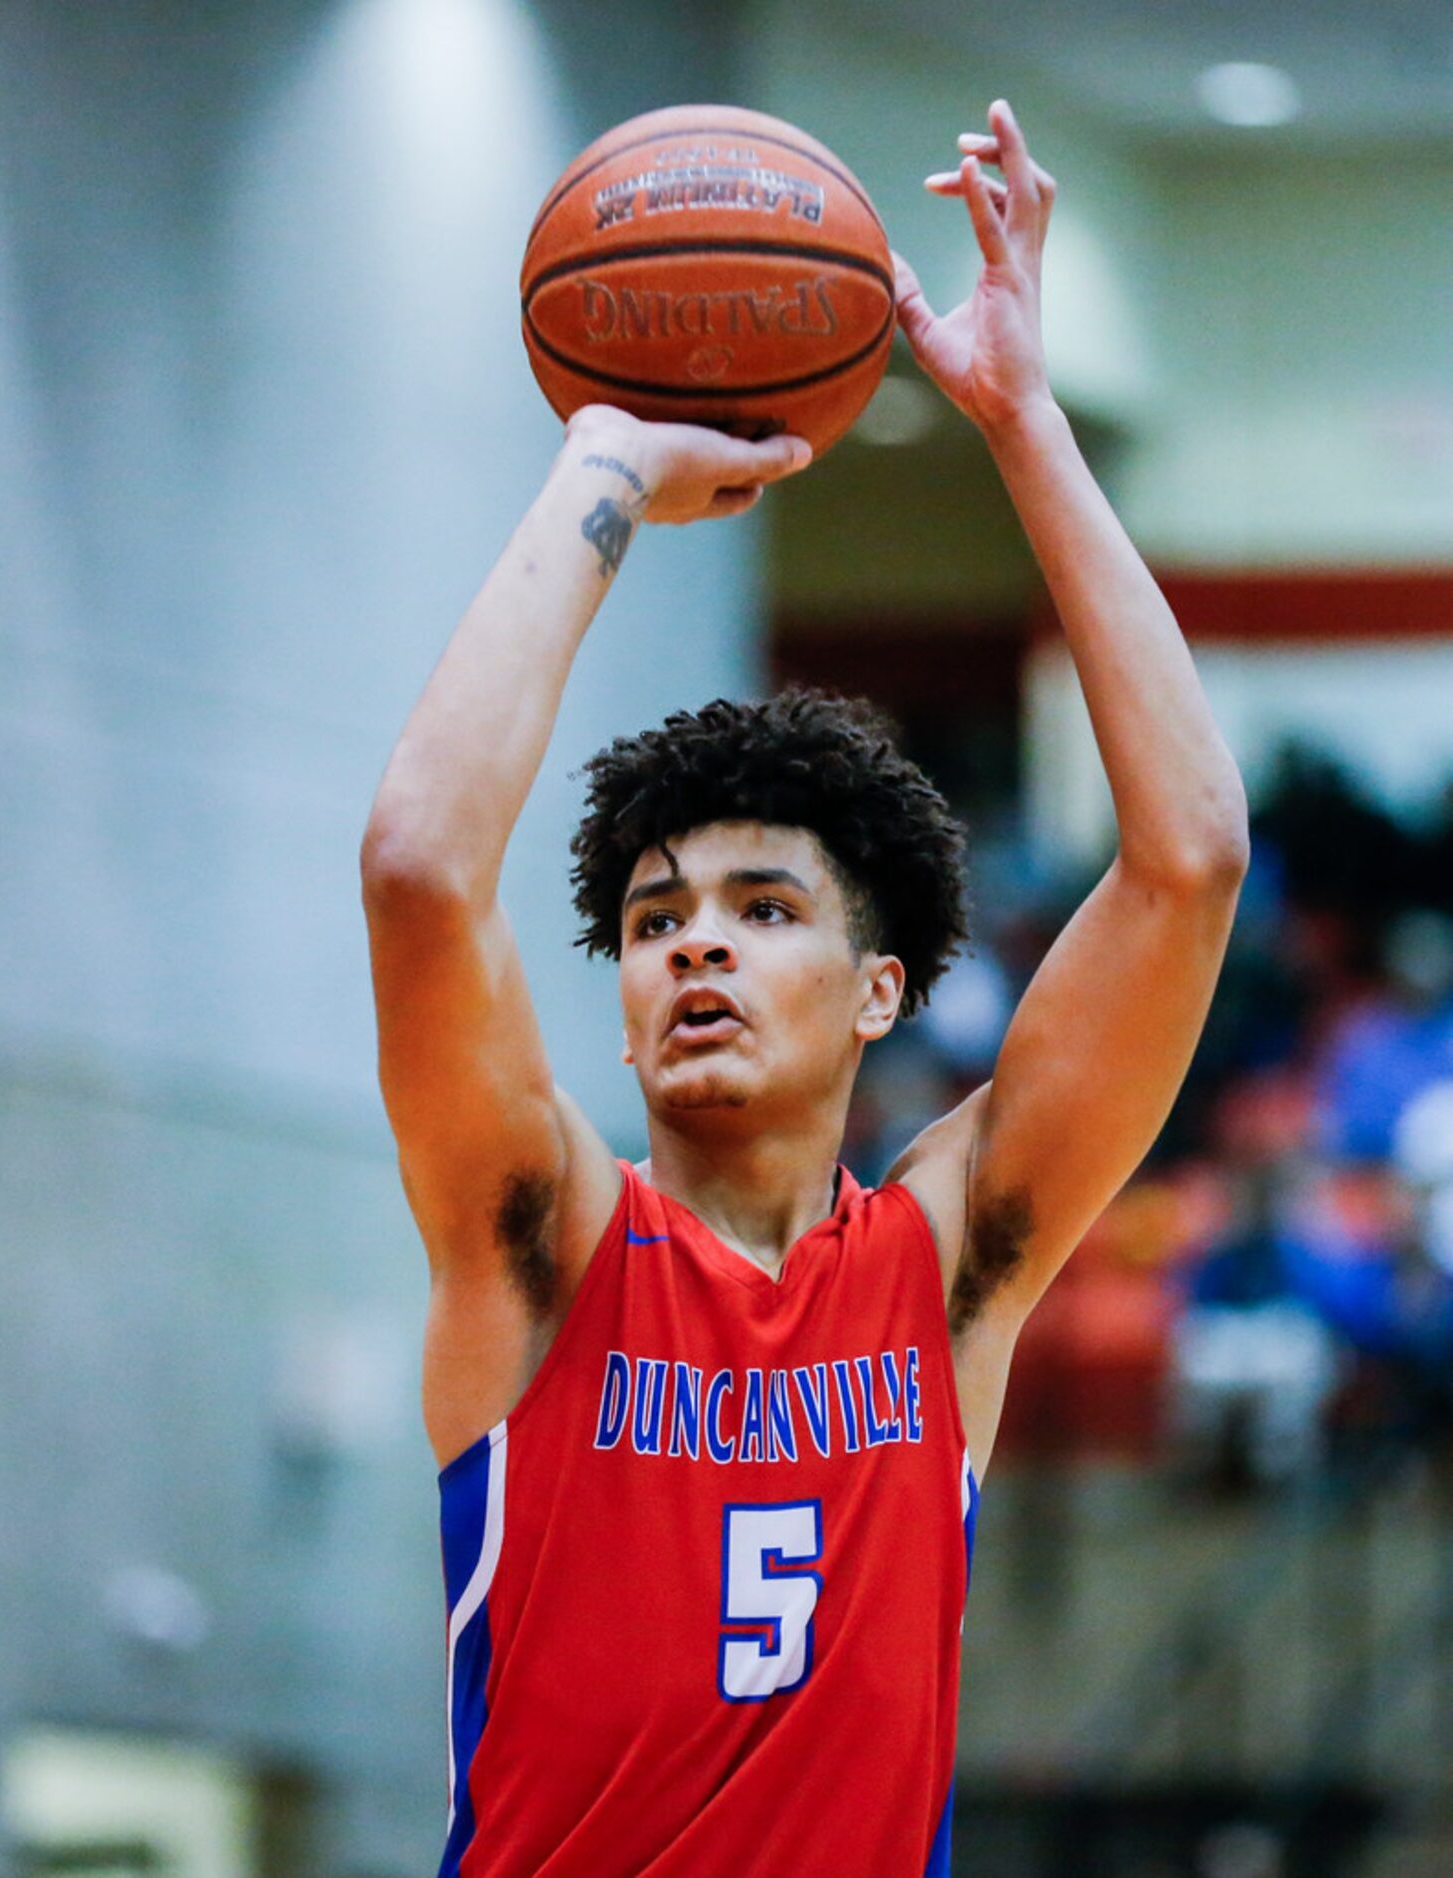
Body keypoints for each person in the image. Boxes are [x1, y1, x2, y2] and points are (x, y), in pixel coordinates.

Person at [360, 100, 1249, 1878]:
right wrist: (599, 467)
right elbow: (417, 865)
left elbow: (1190, 861)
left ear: (878, 990)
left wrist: (1024, 423)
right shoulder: (540, 1239)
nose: (693, 939)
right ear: (616, 999)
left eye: (765, 907)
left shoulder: (944, 1266)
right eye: (655, 914)